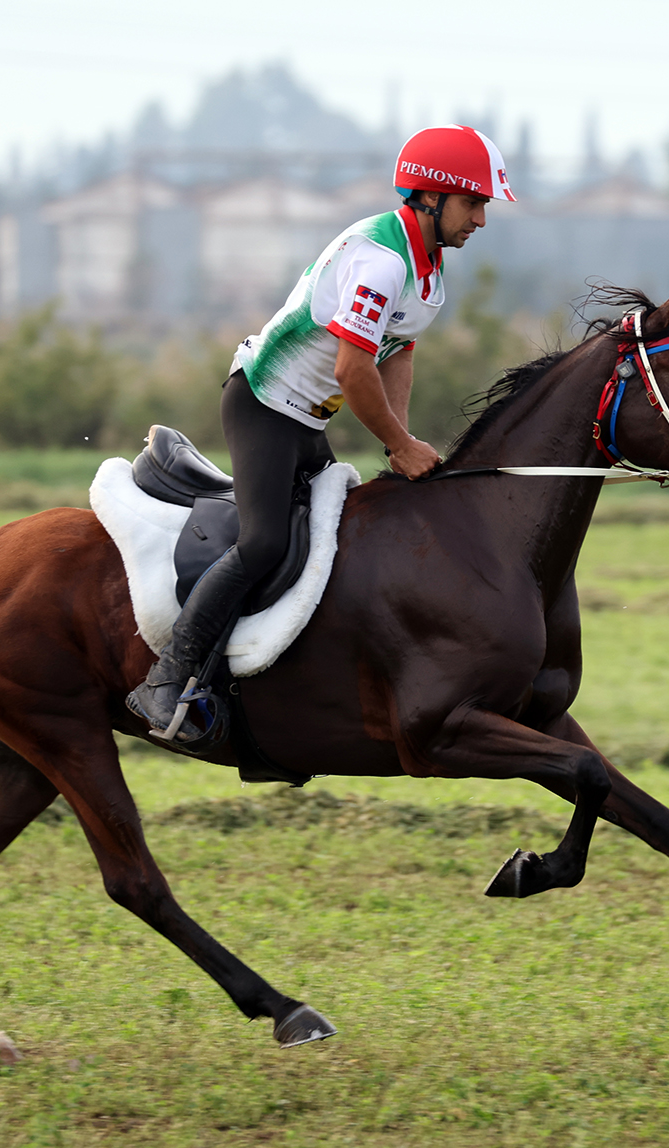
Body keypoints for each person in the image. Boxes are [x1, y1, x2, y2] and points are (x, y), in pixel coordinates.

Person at [127, 124, 517, 741]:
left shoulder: (431, 268)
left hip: (308, 416)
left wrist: (405, 438)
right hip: (262, 405)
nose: (482, 220)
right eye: (474, 204)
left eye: (484, 206)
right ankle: (165, 679)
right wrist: (398, 445)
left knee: (331, 539)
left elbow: (396, 355)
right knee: (263, 546)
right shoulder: (380, 261)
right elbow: (352, 367)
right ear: (431, 196)